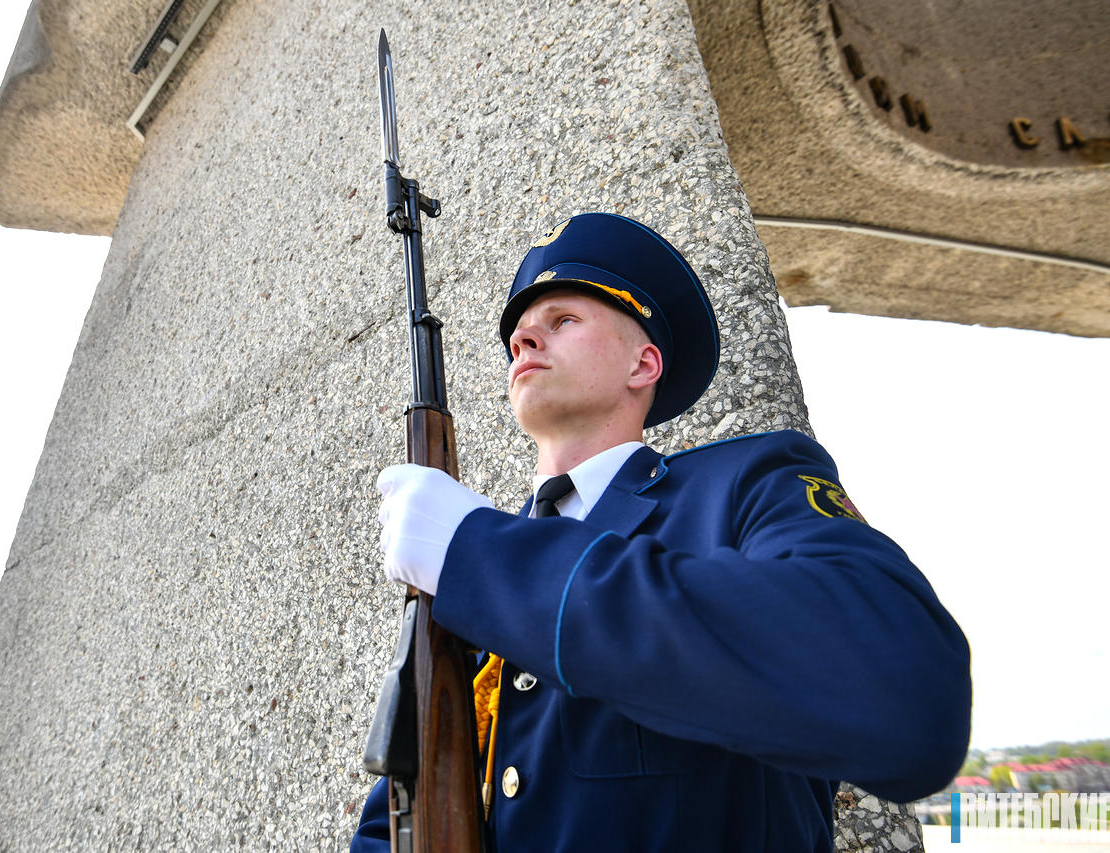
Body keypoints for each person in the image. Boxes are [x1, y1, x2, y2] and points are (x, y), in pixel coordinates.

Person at [353, 213, 971, 852]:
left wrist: (480, 554)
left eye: (563, 320)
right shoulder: (468, 575)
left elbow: (906, 696)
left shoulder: (741, 486)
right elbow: (394, 819)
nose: (524, 339)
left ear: (642, 364)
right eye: (519, 334)